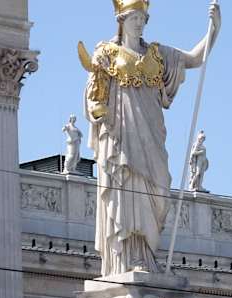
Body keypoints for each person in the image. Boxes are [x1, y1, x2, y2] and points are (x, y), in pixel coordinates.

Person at [79, 0, 221, 277]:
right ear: (122, 19)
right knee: (128, 191)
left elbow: (195, 58)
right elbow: (94, 95)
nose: (140, 23)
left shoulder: (158, 54)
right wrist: (99, 112)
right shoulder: (107, 54)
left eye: (143, 18)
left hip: (152, 135)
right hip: (122, 138)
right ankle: (130, 256)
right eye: (135, 17)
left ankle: (147, 254)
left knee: (159, 190)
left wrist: (213, 29)